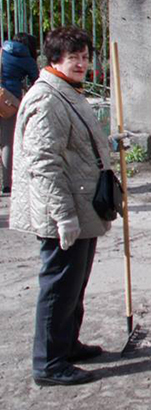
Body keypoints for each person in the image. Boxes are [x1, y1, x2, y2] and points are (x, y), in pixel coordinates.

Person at [9, 26, 112, 386]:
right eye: (74, 57)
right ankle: (49, 364)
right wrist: (63, 216)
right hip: (62, 211)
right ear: (55, 59)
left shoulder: (66, 91)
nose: (82, 63)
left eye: (85, 56)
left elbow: (76, 141)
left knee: (75, 283)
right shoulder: (47, 99)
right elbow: (43, 163)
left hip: (83, 205)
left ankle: (67, 344)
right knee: (59, 285)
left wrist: (111, 145)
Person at [0, 32, 39, 193]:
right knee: (7, 142)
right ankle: (7, 185)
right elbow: (36, 81)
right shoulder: (27, 59)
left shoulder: (2, 50)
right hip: (10, 102)